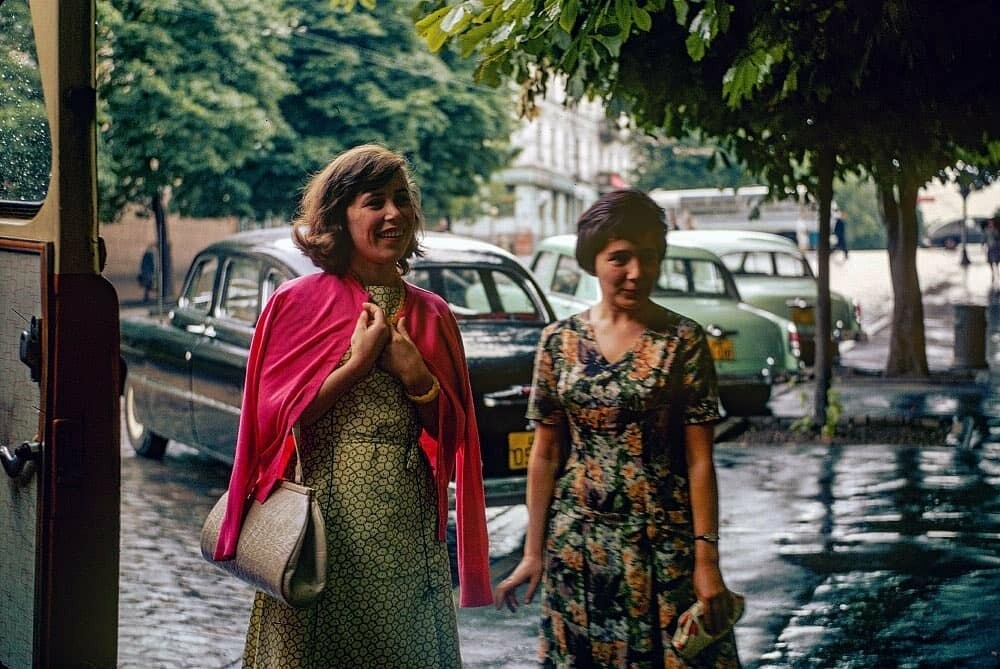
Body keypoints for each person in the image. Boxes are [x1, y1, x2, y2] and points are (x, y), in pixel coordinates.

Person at [213, 144, 492, 668]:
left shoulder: (432, 314)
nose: (394, 214)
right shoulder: (297, 303)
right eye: (374, 202)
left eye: (401, 199)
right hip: (317, 519)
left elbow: (452, 434)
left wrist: (417, 378)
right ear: (340, 216)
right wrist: (355, 368)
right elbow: (278, 420)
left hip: (404, 523)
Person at [493, 189, 741, 668]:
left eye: (648, 258)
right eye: (620, 259)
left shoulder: (682, 340)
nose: (636, 272)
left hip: (661, 548)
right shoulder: (558, 343)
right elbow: (545, 453)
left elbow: (700, 459)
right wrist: (533, 551)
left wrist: (706, 560)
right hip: (578, 548)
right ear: (593, 261)